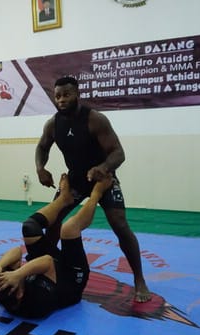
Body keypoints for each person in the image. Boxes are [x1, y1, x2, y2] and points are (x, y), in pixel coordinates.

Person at [35, 75, 151, 302]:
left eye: (66, 95)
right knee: (53, 221)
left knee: (119, 224)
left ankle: (139, 279)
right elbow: (42, 147)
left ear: (77, 94)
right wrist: (40, 168)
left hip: (102, 179)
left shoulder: (95, 119)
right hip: (76, 181)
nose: (61, 100)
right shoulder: (52, 124)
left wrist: (104, 166)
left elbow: (119, 153)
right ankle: (48, 270)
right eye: (57, 96)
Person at [0, 174, 112, 318]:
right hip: (71, 277)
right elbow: (47, 261)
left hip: (49, 269)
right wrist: (17, 274)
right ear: (20, 293)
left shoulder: (9, 292)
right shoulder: (39, 301)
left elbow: (16, 251)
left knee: (29, 228)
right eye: (15, 280)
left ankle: (63, 199)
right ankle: (97, 193)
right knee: (68, 229)